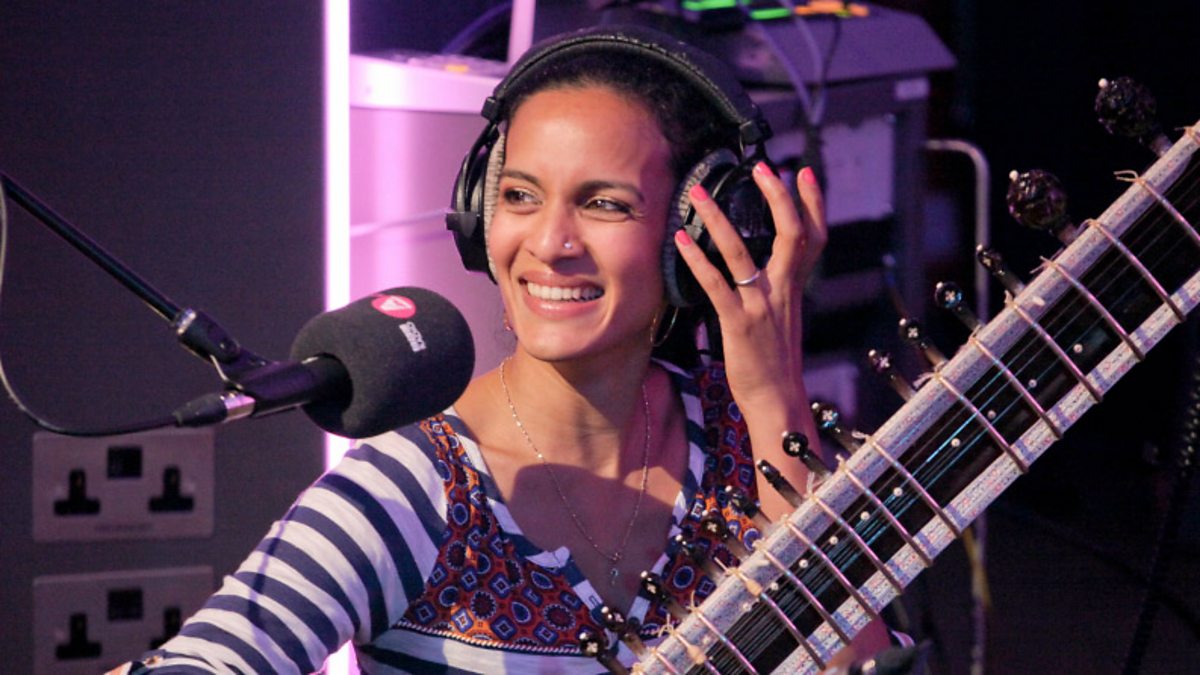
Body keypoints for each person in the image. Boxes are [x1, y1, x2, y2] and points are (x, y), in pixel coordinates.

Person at [111, 24, 889, 674]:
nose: (549, 243)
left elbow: (861, 661)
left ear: (702, 233)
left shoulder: (746, 440)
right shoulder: (408, 490)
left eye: (603, 203)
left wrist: (774, 403)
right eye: (519, 195)